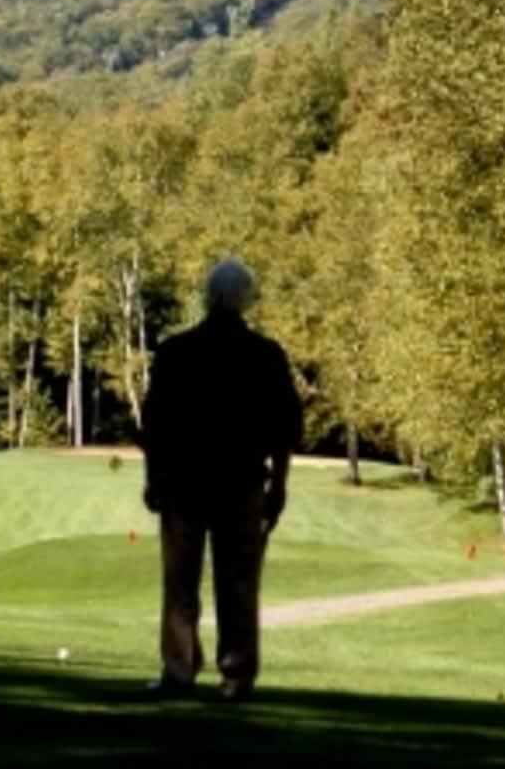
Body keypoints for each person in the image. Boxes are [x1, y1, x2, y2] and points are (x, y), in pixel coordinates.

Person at [139, 255, 301, 701]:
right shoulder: (265, 356)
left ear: (208, 298)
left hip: (183, 484)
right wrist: (279, 485)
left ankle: (179, 670)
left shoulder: (175, 352)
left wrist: (154, 479)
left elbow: (155, 427)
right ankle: (237, 675)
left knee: (180, 586)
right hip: (241, 485)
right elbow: (283, 428)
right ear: (246, 301)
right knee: (239, 585)